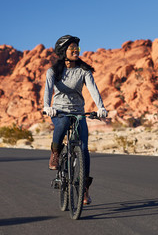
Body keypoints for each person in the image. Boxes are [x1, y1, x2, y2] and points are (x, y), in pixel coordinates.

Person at [42, 35, 108, 205]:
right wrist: (47, 106)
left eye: (77, 48)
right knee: (63, 123)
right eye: (72, 48)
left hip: (78, 112)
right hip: (58, 111)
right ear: (63, 52)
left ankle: (83, 188)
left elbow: (93, 89)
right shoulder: (53, 72)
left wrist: (101, 107)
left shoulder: (83, 71)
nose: (76, 51)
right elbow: (48, 91)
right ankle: (55, 153)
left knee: (84, 149)